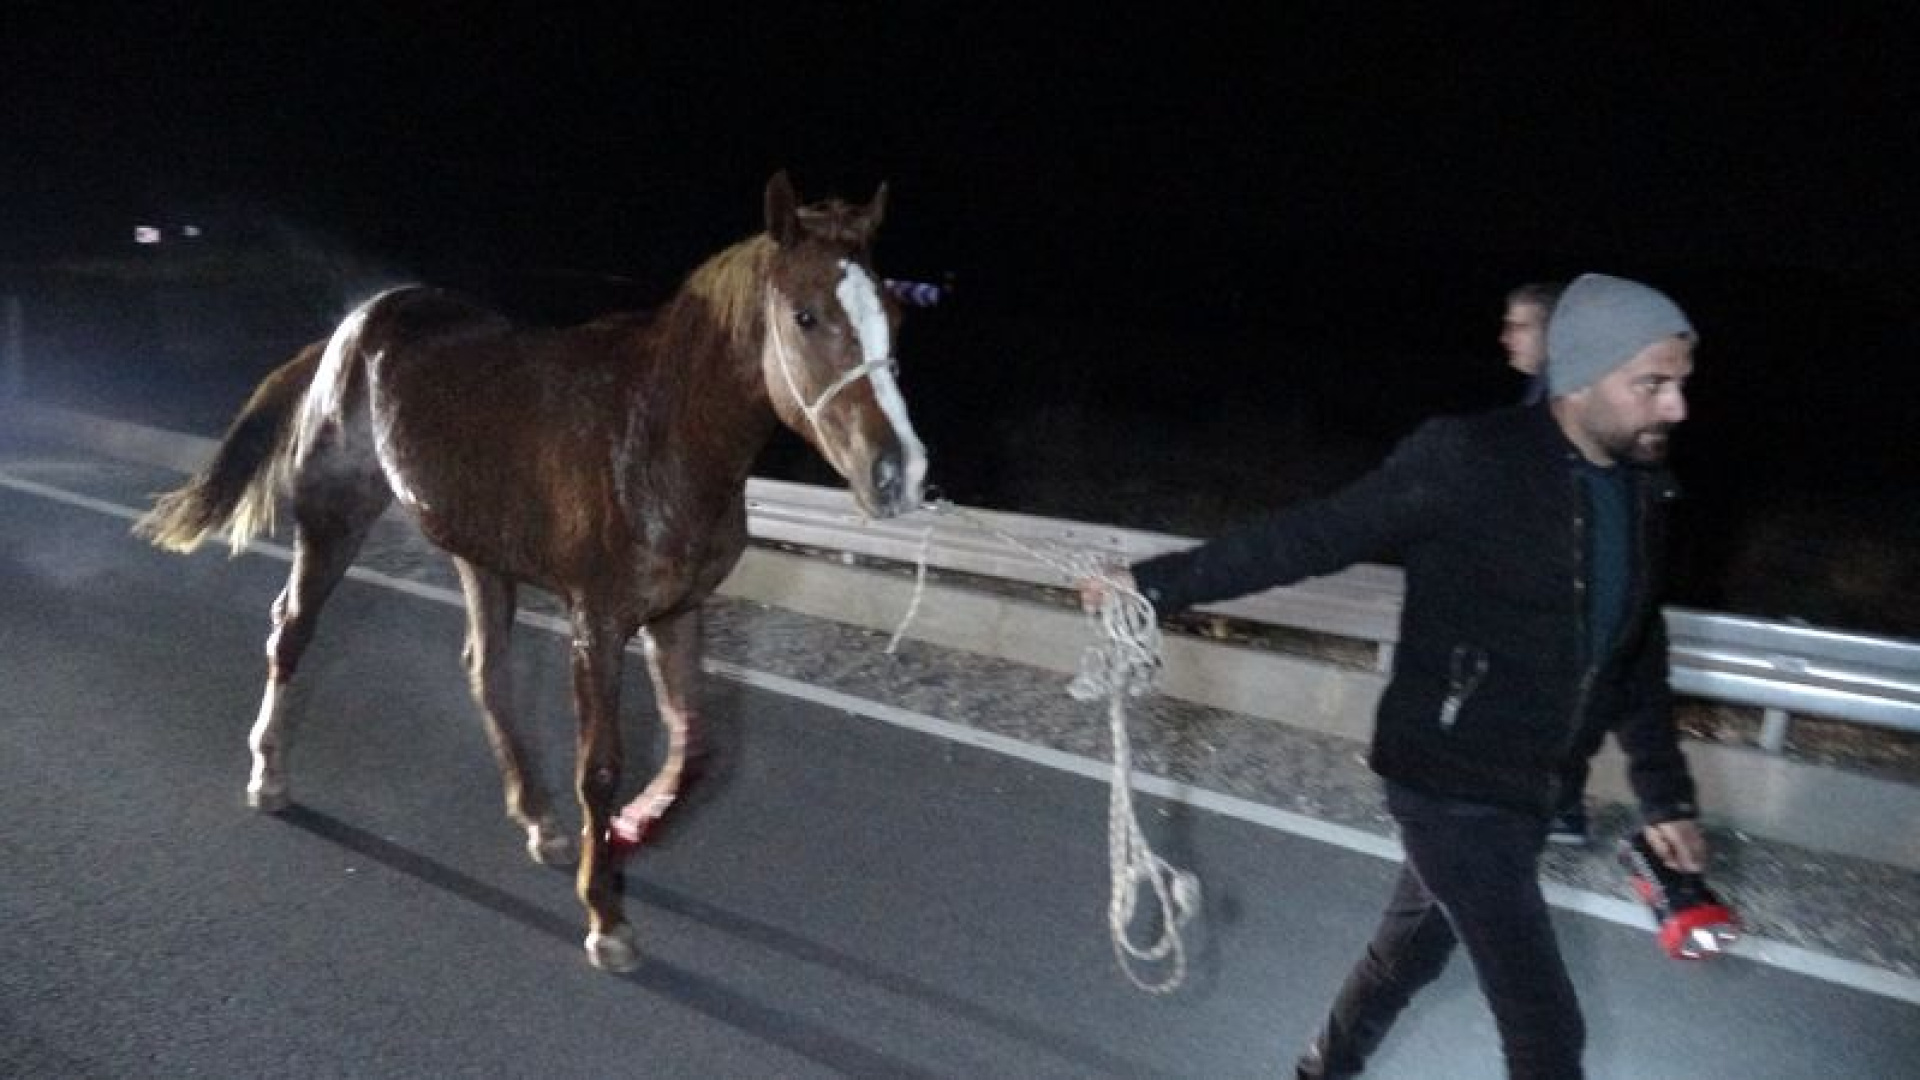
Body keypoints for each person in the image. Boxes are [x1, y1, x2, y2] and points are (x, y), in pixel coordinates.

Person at [1079, 272, 1707, 1079]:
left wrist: (1666, 797)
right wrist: (1156, 583)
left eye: (1681, 384)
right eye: (1652, 383)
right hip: (1447, 786)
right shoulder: (1471, 460)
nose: (1675, 408)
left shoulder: (1640, 490)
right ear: (1584, 373)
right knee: (1548, 1033)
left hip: (1530, 793)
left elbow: (1634, 651)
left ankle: (1321, 1068)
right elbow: (1312, 536)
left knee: (1407, 954)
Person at [1501, 281, 1563, 405]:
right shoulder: (1538, 385)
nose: (1504, 338)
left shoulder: (1570, 399)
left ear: (1553, 331)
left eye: (1520, 327)